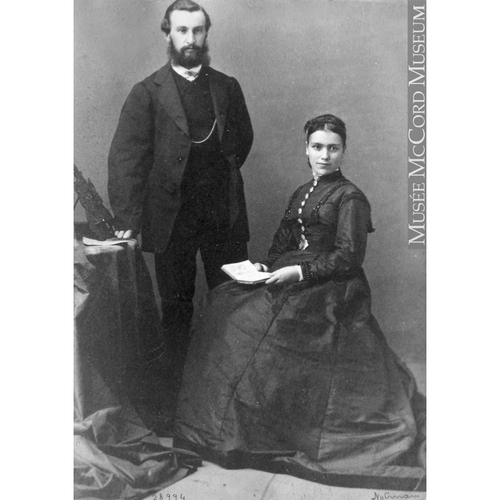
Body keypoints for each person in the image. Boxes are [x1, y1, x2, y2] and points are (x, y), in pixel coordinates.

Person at [173, 114, 426, 486]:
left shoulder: (350, 197)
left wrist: (299, 273)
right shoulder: (301, 192)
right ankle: (219, 425)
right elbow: (283, 244)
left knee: (269, 327)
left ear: (343, 151)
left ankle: (261, 430)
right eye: (317, 147)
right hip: (289, 274)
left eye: (333, 148)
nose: (324, 155)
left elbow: (348, 256)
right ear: (306, 149)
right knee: (223, 306)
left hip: (332, 286)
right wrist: (267, 265)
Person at [108, 0, 254, 384]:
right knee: (175, 309)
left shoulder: (226, 87)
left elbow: (242, 140)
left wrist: (219, 178)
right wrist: (127, 217)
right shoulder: (147, 92)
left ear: (206, 34)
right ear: (168, 34)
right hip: (172, 219)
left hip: (222, 215)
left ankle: (225, 398)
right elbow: (126, 159)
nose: (191, 39)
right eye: (182, 30)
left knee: (232, 304)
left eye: (198, 30)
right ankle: (175, 397)